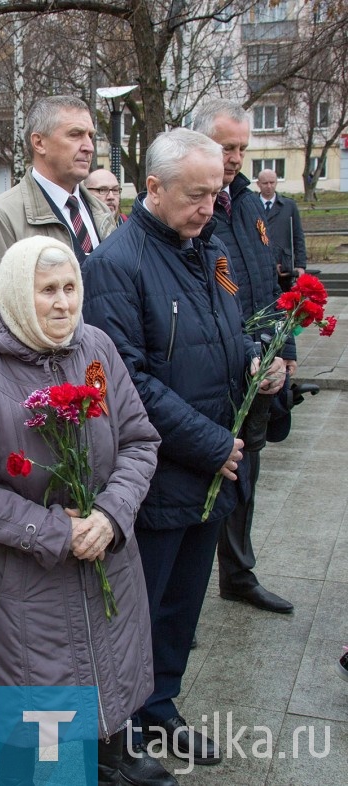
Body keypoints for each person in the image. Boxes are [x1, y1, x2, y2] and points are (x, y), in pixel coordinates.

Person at [82, 128, 285, 786]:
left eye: (217, 192)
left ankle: (161, 702)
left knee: (183, 604)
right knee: (145, 604)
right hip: (161, 473)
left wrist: (259, 359)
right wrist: (210, 442)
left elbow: (227, 328)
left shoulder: (208, 246)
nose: (209, 206)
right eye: (197, 195)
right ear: (155, 188)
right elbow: (127, 381)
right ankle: (126, 720)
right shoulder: (118, 263)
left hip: (211, 468)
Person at [0, 236, 160, 784]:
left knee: (107, 701)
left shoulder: (97, 349)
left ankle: (109, 761)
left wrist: (110, 515)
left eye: (69, 288)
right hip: (28, 590)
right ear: (16, 294)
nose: (63, 304)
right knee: (47, 760)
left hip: (107, 567)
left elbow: (139, 441)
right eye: (47, 291)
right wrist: (53, 530)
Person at [192, 99, 295, 615]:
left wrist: (285, 350)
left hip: (260, 362)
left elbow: (266, 280)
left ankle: (237, 574)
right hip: (221, 364)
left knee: (248, 470)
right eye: (226, 146)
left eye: (240, 149)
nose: (235, 158)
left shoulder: (247, 201)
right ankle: (183, 589)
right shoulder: (199, 207)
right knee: (216, 473)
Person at [0, 95, 116, 338]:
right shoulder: (1, 216)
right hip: (43, 373)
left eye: (90, 135)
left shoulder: (101, 213)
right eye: (75, 134)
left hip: (102, 367)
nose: (89, 146)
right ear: (39, 143)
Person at [256, 168, 307, 292]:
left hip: (285, 267)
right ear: (258, 184)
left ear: (277, 182)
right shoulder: (251, 205)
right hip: (259, 266)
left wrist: (300, 265)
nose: (269, 186)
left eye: (272, 182)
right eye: (265, 183)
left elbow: (298, 236)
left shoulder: (289, 206)